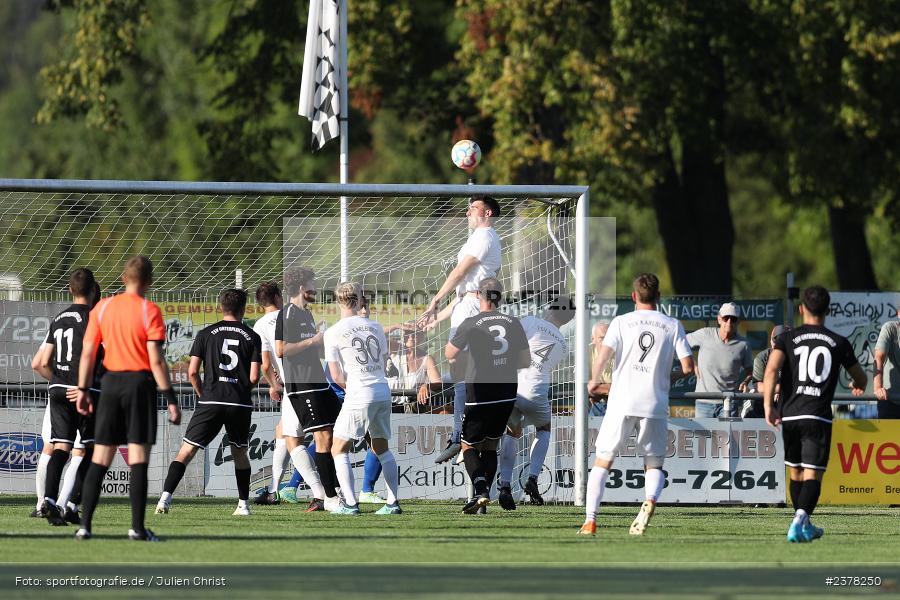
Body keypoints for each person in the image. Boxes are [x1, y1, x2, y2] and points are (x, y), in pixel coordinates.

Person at [73, 255, 181, 542]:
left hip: (108, 385)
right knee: (138, 459)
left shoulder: (103, 307)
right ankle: (136, 528)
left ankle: (84, 527)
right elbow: (156, 361)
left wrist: (83, 390)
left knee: (100, 457)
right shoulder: (150, 311)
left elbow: (87, 354)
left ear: (123, 278)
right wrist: (170, 397)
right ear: (149, 281)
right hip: (139, 385)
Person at [579, 273, 694, 536]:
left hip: (621, 400)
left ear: (634, 297)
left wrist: (593, 382)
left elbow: (603, 356)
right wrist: (667, 375)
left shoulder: (621, 322)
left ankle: (590, 520)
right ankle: (650, 500)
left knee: (602, 462)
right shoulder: (672, 324)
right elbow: (688, 367)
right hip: (654, 402)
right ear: (659, 297)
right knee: (653, 465)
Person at [763, 285, 866, 543]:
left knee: (796, 474)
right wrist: (858, 384)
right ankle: (800, 521)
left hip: (791, 415)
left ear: (801, 309)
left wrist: (768, 406)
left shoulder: (787, 339)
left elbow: (771, 370)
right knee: (813, 476)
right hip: (818, 416)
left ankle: (804, 524)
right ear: (828, 310)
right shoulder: (838, 342)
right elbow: (860, 377)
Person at [155, 289, 262, 516]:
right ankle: (243, 505)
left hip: (210, 401)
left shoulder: (205, 333)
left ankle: (164, 499)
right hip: (238, 403)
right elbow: (254, 377)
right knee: (239, 453)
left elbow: (193, 372)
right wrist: (240, 392)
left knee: (186, 451)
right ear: (243, 308)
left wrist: (203, 395)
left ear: (221, 307)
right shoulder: (252, 336)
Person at [417, 196, 502, 464]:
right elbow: (463, 290)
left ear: (486, 212)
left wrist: (434, 299)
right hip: (467, 302)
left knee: (457, 360)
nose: (468, 212)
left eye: (473, 208)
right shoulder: (480, 237)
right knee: (460, 369)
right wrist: (439, 317)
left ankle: (462, 432)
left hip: (473, 305)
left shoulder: (484, 235)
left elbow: (459, 272)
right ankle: (462, 432)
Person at [446, 277, 530, 514]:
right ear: (500, 298)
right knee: (491, 445)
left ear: (478, 296)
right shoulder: (514, 323)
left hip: (480, 391)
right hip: (506, 392)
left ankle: (481, 491)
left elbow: (450, 354)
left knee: (468, 445)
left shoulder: (471, 322)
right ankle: (483, 501)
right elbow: (525, 361)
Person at [325, 282, 403, 515]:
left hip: (360, 391)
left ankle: (349, 503)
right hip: (382, 389)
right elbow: (383, 360)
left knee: (338, 448)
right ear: (359, 299)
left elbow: (336, 375)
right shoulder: (376, 326)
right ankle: (392, 503)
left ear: (337, 301)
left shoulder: (333, 331)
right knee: (382, 448)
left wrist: (354, 391)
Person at [32, 269, 101, 526]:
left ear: (70, 290)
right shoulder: (94, 318)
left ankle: (48, 501)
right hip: (84, 390)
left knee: (61, 447)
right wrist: (82, 386)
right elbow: (92, 355)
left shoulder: (59, 318)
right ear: (93, 290)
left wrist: (58, 381)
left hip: (57, 390)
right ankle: (69, 504)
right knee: (91, 451)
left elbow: (41, 362)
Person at [497, 294, 575, 509]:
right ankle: (532, 478)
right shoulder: (563, 344)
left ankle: (504, 485)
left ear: (550, 309)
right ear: (567, 320)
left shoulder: (531, 321)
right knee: (544, 429)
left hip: (513, 387)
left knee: (512, 433)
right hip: (537, 391)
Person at [252, 281, 324, 510]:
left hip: (295, 385)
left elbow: (265, 364)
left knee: (295, 441)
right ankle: (274, 489)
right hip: (311, 378)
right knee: (283, 433)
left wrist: (273, 385)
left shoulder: (261, 325)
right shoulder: (295, 315)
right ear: (276, 297)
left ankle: (320, 493)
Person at [275, 267, 342, 511]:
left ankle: (334, 493)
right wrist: (313, 340)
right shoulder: (288, 313)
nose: (316, 288)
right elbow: (281, 350)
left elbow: (313, 349)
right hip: (302, 386)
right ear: (303, 287)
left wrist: (327, 343)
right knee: (322, 438)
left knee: (338, 434)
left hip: (319, 383)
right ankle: (330, 498)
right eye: (313, 284)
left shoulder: (307, 313)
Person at [686, 302, 753, 418]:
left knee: (727, 437)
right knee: (703, 436)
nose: (729, 322)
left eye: (733, 319)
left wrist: (746, 381)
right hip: (704, 402)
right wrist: (692, 362)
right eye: (726, 318)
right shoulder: (705, 334)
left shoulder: (744, 344)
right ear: (719, 319)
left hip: (729, 402)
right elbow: (681, 343)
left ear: (738, 322)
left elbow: (750, 371)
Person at [746, 325, 790, 418]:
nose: (778, 344)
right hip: (761, 402)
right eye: (775, 340)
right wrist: (779, 390)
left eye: (782, 341)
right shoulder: (762, 357)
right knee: (753, 397)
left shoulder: (795, 357)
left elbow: (798, 385)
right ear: (771, 340)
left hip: (787, 402)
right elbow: (759, 387)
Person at [874, 315, 900, 418]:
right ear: (899, 313)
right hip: (889, 401)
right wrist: (878, 388)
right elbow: (879, 357)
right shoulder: (890, 328)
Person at [587, 322, 613, 417]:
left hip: (617, 403)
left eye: (610, 338)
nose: (608, 343)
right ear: (593, 339)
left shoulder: (621, 352)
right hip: (594, 405)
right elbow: (583, 387)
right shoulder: (586, 353)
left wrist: (597, 388)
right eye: (602, 338)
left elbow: (624, 387)